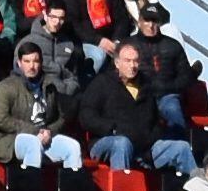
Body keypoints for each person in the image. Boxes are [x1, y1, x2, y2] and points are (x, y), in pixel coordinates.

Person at [80, 42, 196, 175]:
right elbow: (86, 116)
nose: (132, 65)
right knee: (122, 144)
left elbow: (156, 120)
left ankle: (195, 190)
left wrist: (150, 139)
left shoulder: (147, 85)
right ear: (117, 63)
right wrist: (113, 128)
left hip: (144, 146)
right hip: (109, 141)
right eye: (128, 61)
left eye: (135, 61)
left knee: (182, 148)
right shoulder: (102, 83)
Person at [0, 34, 80, 178]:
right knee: (33, 144)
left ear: (41, 62)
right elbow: (1, 120)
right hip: (9, 138)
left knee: (73, 147)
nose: (32, 66)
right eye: (27, 61)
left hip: (43, 135)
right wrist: (35, 131)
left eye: (36, 61)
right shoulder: (6, 86)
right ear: (19, 63)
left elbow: (61, 117)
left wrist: (49, 131)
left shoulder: (50, 85)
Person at [121, 2, 193, 133]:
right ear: (140, 22)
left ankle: (180, 145)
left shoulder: (173, 46)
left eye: (154, 20)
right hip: (136, 96)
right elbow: (116, 74)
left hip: (166, 96)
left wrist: (168, 87)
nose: (151, 24)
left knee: (172, 109)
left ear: (159, 23)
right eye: (147, 20)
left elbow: (186, 76)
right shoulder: (127, 45)